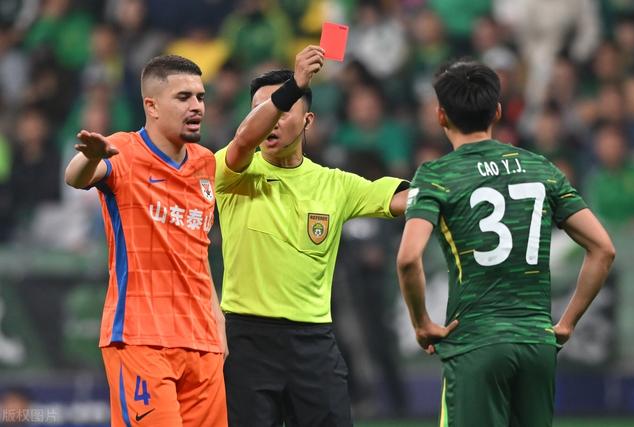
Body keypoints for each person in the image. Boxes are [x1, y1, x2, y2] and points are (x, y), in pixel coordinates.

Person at [396, 60, 615, 427]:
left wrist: (421, 322)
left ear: (440, 115)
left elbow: (407, 259)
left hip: (475, 344)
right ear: (496, 111)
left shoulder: (436, 175)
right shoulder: (541, 168)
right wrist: (566, 323)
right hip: (536, 343)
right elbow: (603, 249)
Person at [215, 45, 408, 426]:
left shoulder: (334, 184)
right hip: (247, 342)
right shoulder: (231, 171)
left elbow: (402, 198)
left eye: (282, 109)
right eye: (258, 110)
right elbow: (243, 141)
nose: (270, 119)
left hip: (313, 344)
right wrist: (295, 86)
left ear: (308, 121)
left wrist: (453, 186)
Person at [64, 55, 227, 427]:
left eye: (200, 97)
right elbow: (77, 177)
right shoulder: (122, 151)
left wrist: (217, 320)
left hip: (202, 341)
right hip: (141, 337)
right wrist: (90, 158)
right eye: (183, 97)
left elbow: (197, 251)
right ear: (151, 106)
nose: (197, 106)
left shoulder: (206, 163)